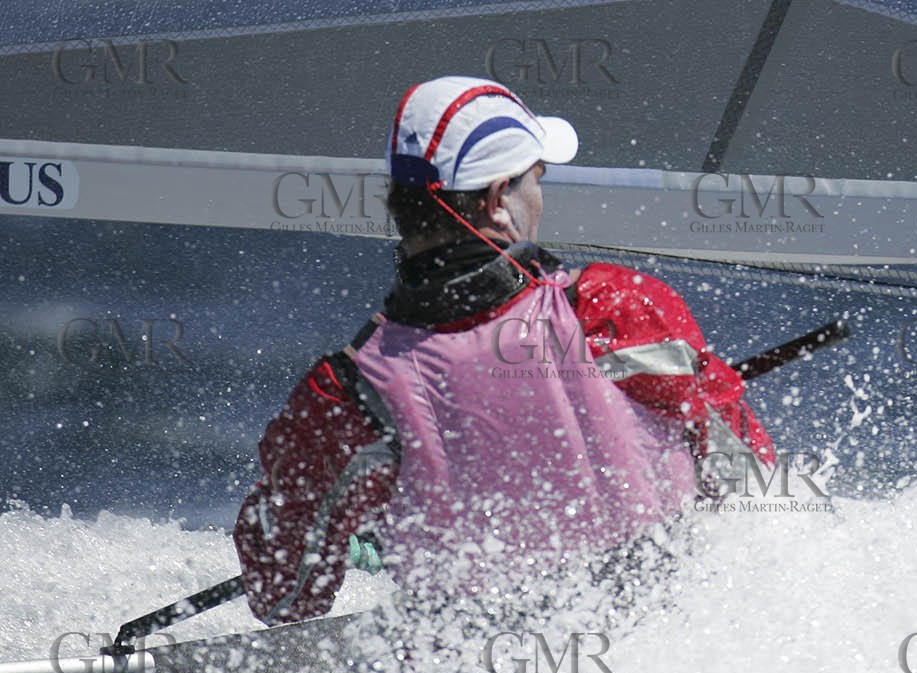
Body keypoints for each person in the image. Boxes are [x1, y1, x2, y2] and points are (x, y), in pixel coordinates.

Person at [233, 76, 773, 625]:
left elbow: (283, 596)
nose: (540, 198)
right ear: (498, 201)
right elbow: (749, 480)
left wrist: (343, 519)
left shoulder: (345, 393)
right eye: (536, 180)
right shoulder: (614, 306)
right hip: (667, 635)